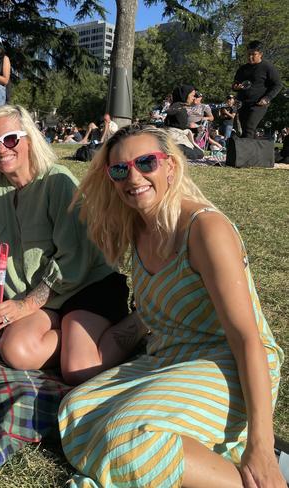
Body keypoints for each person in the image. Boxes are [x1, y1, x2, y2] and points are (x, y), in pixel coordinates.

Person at [58, 124, 284, 487]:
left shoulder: (205, 229)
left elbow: (246, 337)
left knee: (125, 437)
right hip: (171, 358)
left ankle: (258, 478)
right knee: (76, 411)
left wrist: (261, 441)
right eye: (120, 169)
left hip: (231, 363)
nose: (134, 176)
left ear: (171, 167)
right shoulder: (138, 229)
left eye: (146, 162)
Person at [0, 105, 144, 384]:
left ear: (30, 139)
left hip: (85, 285)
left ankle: (142, 320)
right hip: (42, 299)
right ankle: (76, 338)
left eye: (10, 139)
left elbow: (74, 259)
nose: (1, 149)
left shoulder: (57, 181)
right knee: (15, 351)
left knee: (78, 370)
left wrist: (25, 307)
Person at [232, 40, 282, 138]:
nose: (250, 57)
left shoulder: (267, 67)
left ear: (260, 54)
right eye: (249, 54)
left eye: (253, 54)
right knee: (243, 131)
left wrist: (267, 98)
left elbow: (278, 84)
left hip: (258, 104)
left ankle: (246, 153)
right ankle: (255, 152)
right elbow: (235, 84)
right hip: (243, 104)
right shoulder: (243, 69)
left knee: (249, 128)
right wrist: (236, 87)